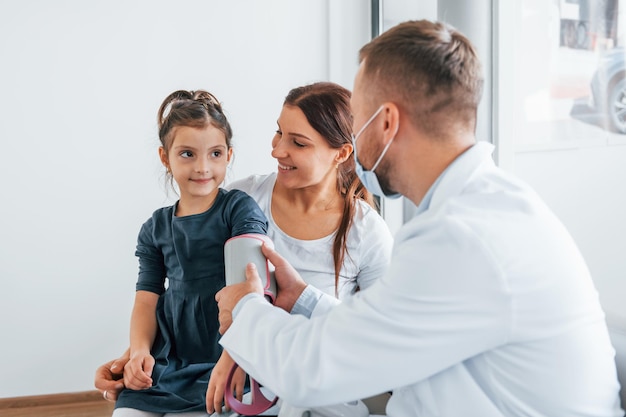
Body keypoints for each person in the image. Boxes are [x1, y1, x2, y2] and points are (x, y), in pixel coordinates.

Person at [214, 20, 624, 417]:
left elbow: (312, 371)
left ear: (387, 121)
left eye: (358, 117)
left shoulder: (461, 238)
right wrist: (303, 299)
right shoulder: (488, 209)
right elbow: (381, 337)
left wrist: (246, 308)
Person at [95, 82, 395, 414]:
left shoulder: (366, 233)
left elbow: (382, 337)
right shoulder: (241, 200)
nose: (277, 150)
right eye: (278, 133)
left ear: (340, 153)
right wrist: (135, 355)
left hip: (303, 384)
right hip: (235, 371)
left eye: (297, 143)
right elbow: (189, 288)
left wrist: (239, 350)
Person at [110, 89, 269, 417]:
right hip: (170, 356)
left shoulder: (239, 210)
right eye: (187, 154)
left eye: (215, 154)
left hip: (228, 351)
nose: (202, 167)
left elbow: (252, 290)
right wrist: (139, 350)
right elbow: (146, 297)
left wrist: (236, 355)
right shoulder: (154, 227)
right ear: (164, 157)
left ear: (229, 156)